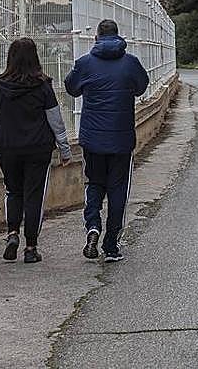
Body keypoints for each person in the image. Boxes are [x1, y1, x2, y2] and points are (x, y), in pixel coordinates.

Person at [0, 37, 72, 264]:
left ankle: (12, 233)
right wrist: (65, 149)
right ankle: (31, 248)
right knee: (34, 196)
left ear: (10, 58)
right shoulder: (43, 85)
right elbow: (55, 120)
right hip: (38, 148)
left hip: (7, 147)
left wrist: (8, 116)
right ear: (35, 58)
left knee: (13, 191)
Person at [65, 19, 149, 262]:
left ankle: (93, 226)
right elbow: (141, 87)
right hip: (122, 140)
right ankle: (111, 245)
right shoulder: (131, 63)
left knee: (94, 184)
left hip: (92, 139)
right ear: (118, 36)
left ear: (96, 37)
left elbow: (71, 88)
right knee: (118, 190)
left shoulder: (84, 63)